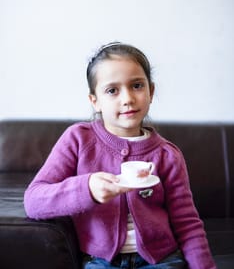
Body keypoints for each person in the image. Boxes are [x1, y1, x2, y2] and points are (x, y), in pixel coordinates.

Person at [24, 41, 216, 269]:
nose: (127, 99)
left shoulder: (167, 155)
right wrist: (87, 189)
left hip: (161, 259)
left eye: (136, 85)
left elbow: (187, 223)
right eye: (112, 90)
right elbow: (34, 201)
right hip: (101, 261)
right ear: (95, 101)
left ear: (151, 91)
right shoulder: (78, 139)